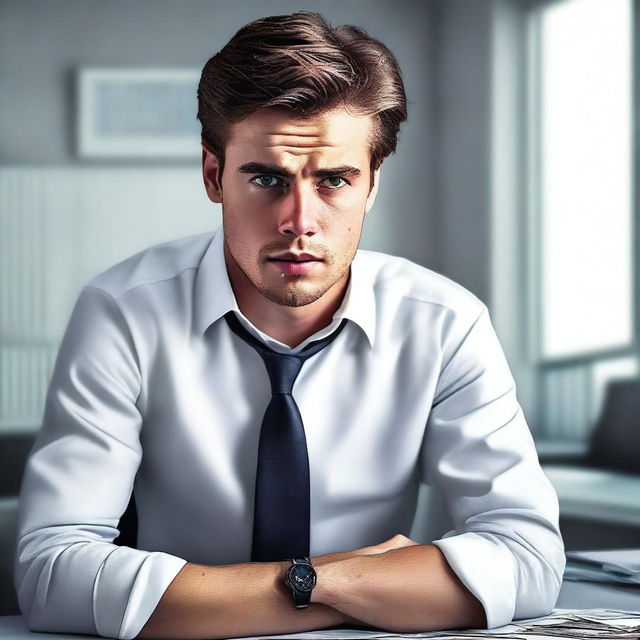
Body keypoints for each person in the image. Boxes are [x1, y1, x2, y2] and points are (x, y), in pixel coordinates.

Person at [14, 11, 565, 640]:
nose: (298, 220)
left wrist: (305, 585)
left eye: (334, 180)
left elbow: (529, 560)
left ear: (371, 186)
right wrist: (352, 581)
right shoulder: (123, 312)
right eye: (268, 178)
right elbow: (52, 574)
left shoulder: (445, 322)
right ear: (214, 175)